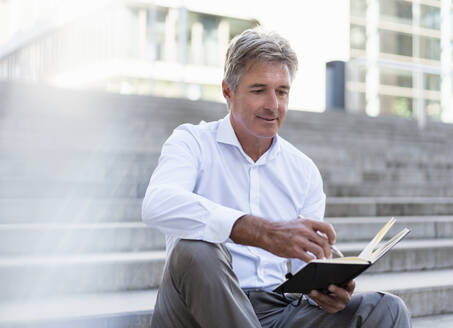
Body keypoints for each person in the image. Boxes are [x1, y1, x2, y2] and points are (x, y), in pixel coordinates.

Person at [142, 27, 411, 328]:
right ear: (227, 91)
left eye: (282, 91)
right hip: (195, 308)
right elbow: (157, 203)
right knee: (196, 248)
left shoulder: (302, 170)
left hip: (276, 310)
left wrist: (326, 290)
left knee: (387, 309)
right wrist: (259, 231)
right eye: (259, 90)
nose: (273, 105)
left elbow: (304, 270)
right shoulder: (191, 142)